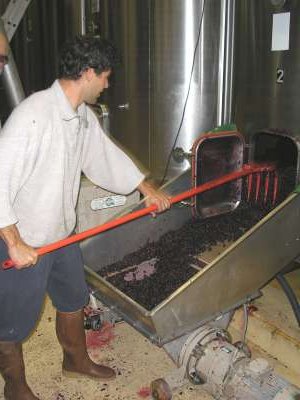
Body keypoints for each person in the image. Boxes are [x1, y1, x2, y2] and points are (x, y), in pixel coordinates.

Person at [0, 35, 170, 400]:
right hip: (25, 238)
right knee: (11, 324)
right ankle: (15, 387)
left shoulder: (81, 117)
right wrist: (13, 243)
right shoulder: (32, 116)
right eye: (105, 77)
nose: (107, 85)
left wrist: (146, 188)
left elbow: (104, 157)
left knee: (73, 299)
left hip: (63, 235)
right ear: (89, 72)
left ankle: (75, 360)